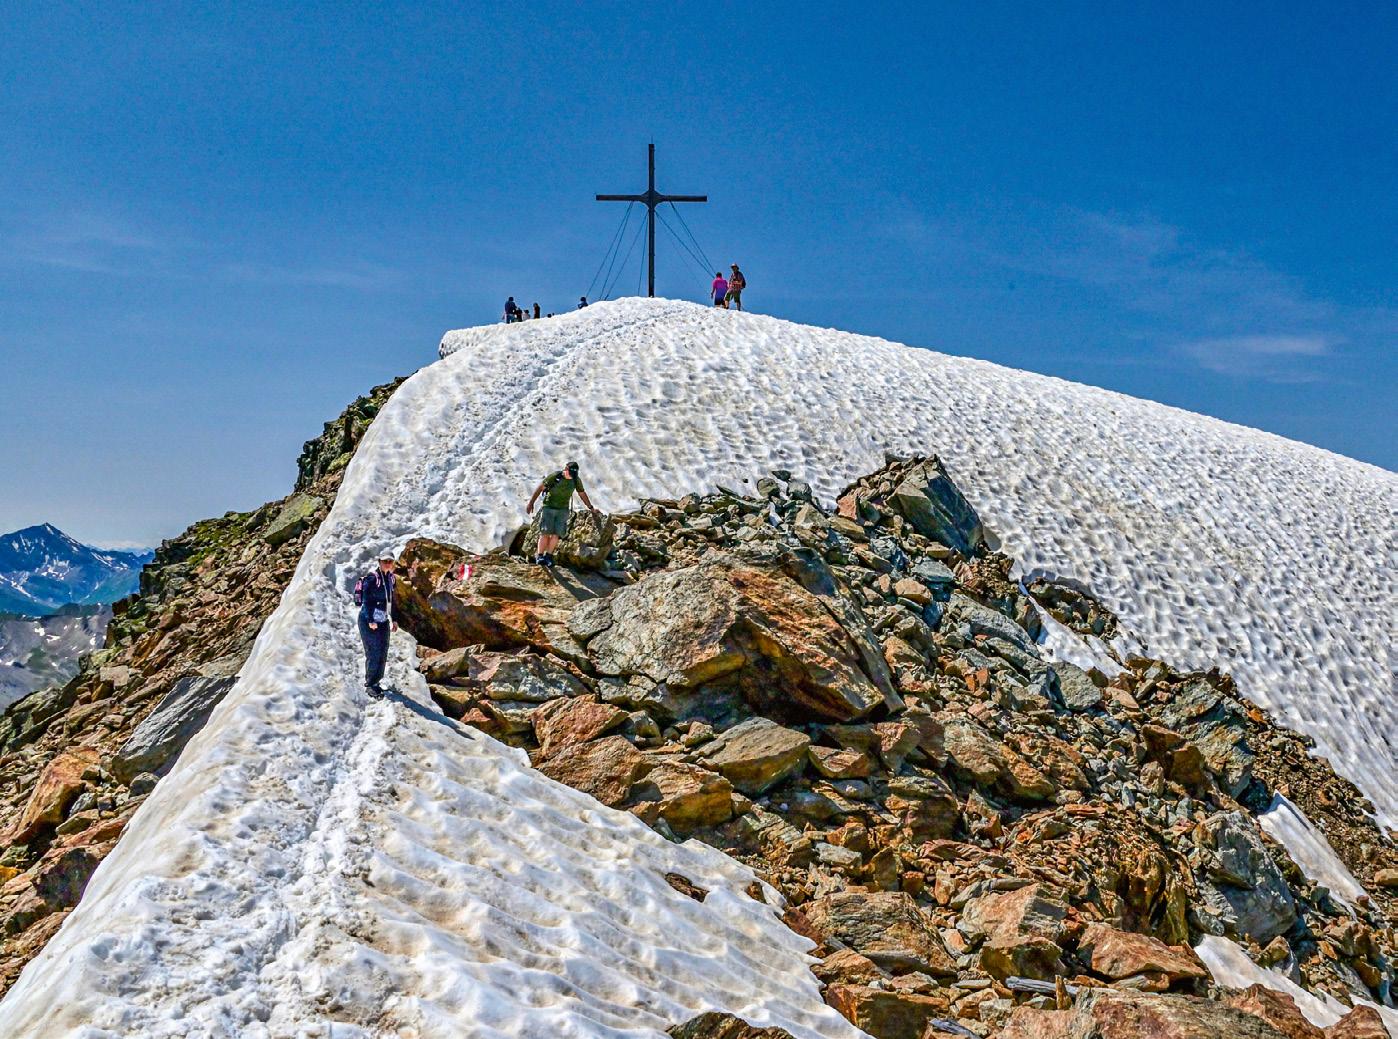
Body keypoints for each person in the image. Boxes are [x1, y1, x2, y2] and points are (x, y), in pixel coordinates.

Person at [525, 461, 599, 567]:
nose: (571, 475)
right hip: (548, 507)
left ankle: (548, 556)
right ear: (566, 469)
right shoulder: (556, 476)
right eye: (570, 473)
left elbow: (582, 493)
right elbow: (541, 488)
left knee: (557, 534)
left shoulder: (576, 480)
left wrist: (591, 508)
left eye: (573, 474)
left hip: (563, 510)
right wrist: (531, 503)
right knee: (545, 532)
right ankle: (540, 556)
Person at [357, 555, 397, 699]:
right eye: (385, 561)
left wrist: (395, 619)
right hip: (369, 621)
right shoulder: (372, 579)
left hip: (383, 621)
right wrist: (370, 620)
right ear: (379, 562)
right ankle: (370, 684)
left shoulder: (391, 579)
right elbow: (366, 601)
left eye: (390, 561)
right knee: (373, 652)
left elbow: (392, 601)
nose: (388, 564)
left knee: (383, 651)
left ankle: (376, 681)